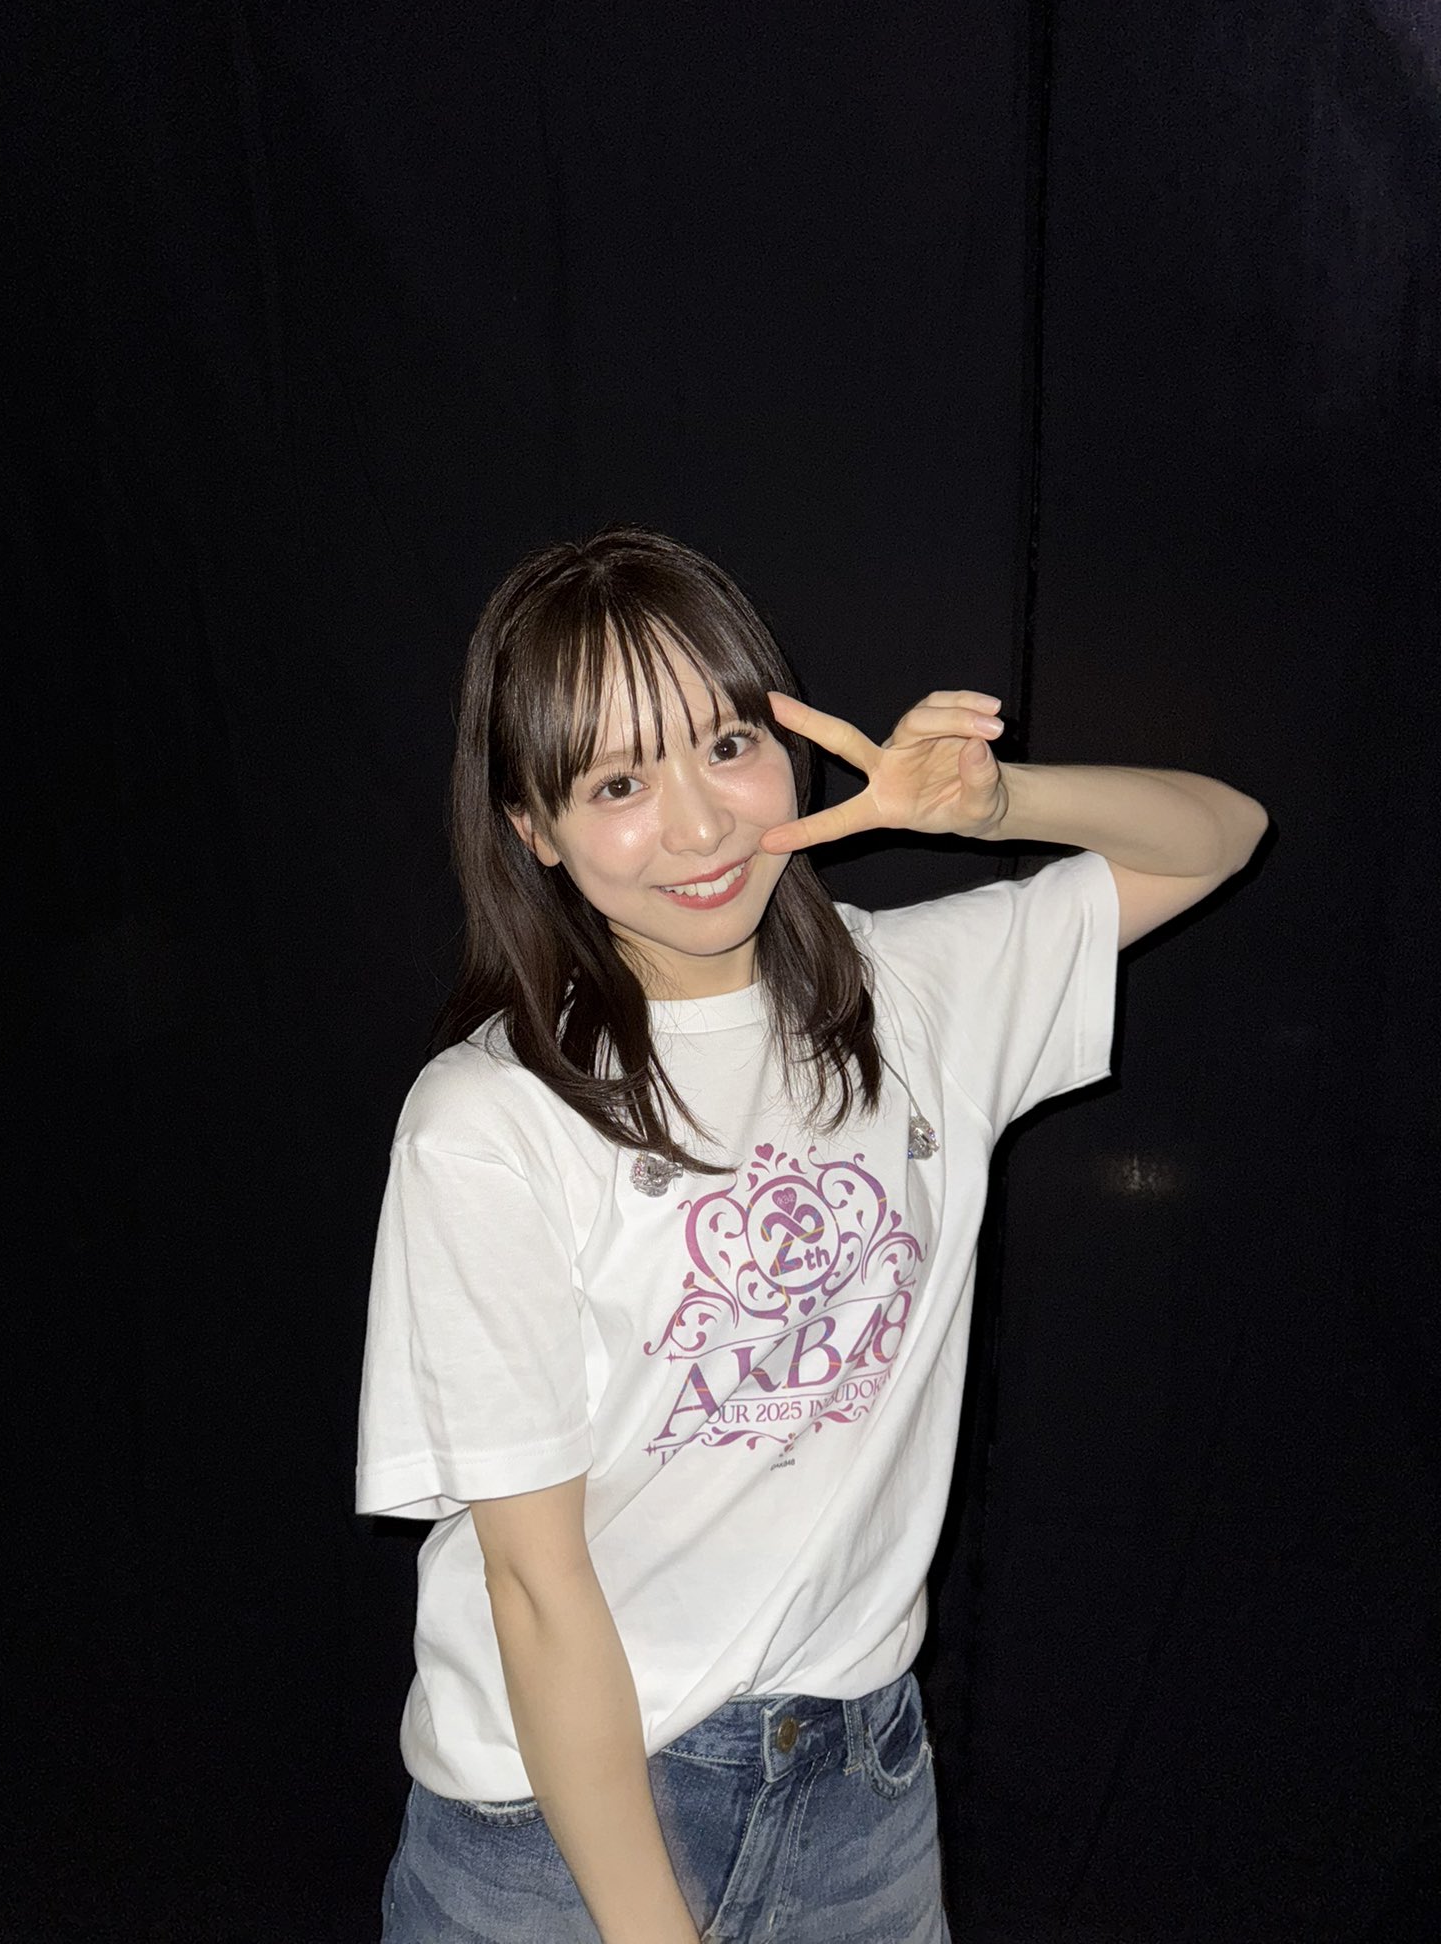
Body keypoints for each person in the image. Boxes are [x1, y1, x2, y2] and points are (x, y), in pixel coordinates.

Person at [355, 526, 1269, 1944]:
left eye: (726, 745)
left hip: (859, 1792)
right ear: (533, 828)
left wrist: (996, 803)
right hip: (558, 1823)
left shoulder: (918, 997)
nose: (699, 826)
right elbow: (536, 1590)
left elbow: (1221, 833)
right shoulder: (490, 1120)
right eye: (617, 783)